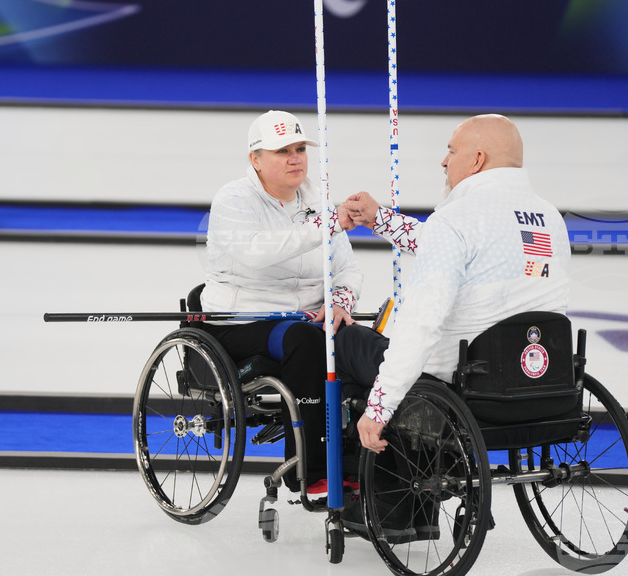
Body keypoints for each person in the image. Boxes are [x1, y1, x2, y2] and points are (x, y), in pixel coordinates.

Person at [333, 114, 570, 535]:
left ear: (476, 159)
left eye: (451, 151)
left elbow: (422, 324)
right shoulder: (549, 217)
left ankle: (395, 506)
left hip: (461, 386)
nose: (444, 162)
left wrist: (378, 408)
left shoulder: (459, 218)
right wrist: (381, 219)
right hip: (539, 382)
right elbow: (447, 247)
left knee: (350, 343)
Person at [199, 110, 364, 495]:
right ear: (255, 159)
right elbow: (258, 253)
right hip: (239, 322)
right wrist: (327, 225)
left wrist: (341, 300)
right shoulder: (233, 200)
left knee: (358, 342)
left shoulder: (319, 202)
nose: (295, 158)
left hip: (302, 321)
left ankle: (365, 462)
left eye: (300, 149)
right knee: (308, 342)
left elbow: (349, 270)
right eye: (281, 151)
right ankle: (308, 469)